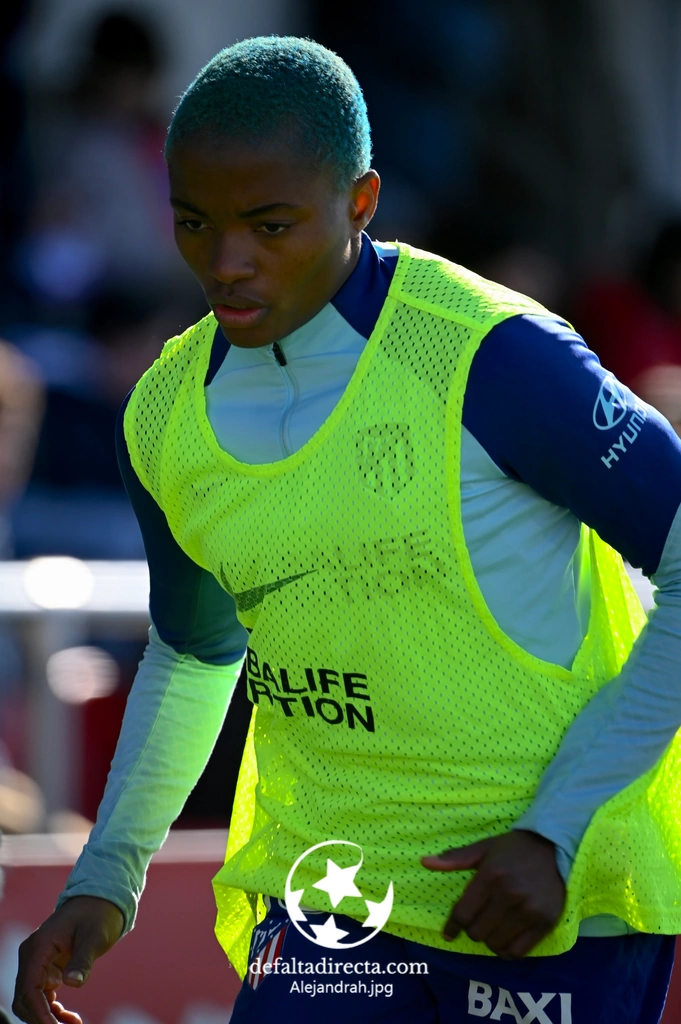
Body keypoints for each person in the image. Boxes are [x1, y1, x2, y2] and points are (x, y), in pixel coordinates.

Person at [12, 37, 681, 1024]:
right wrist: (106, 873)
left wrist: (558, 830)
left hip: (548, 904)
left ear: (361, 203)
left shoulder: (493, 359)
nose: (227, 262)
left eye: (269, 225)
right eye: (194, 223)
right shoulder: (161, 414)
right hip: (330, 898)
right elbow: (195, 653)